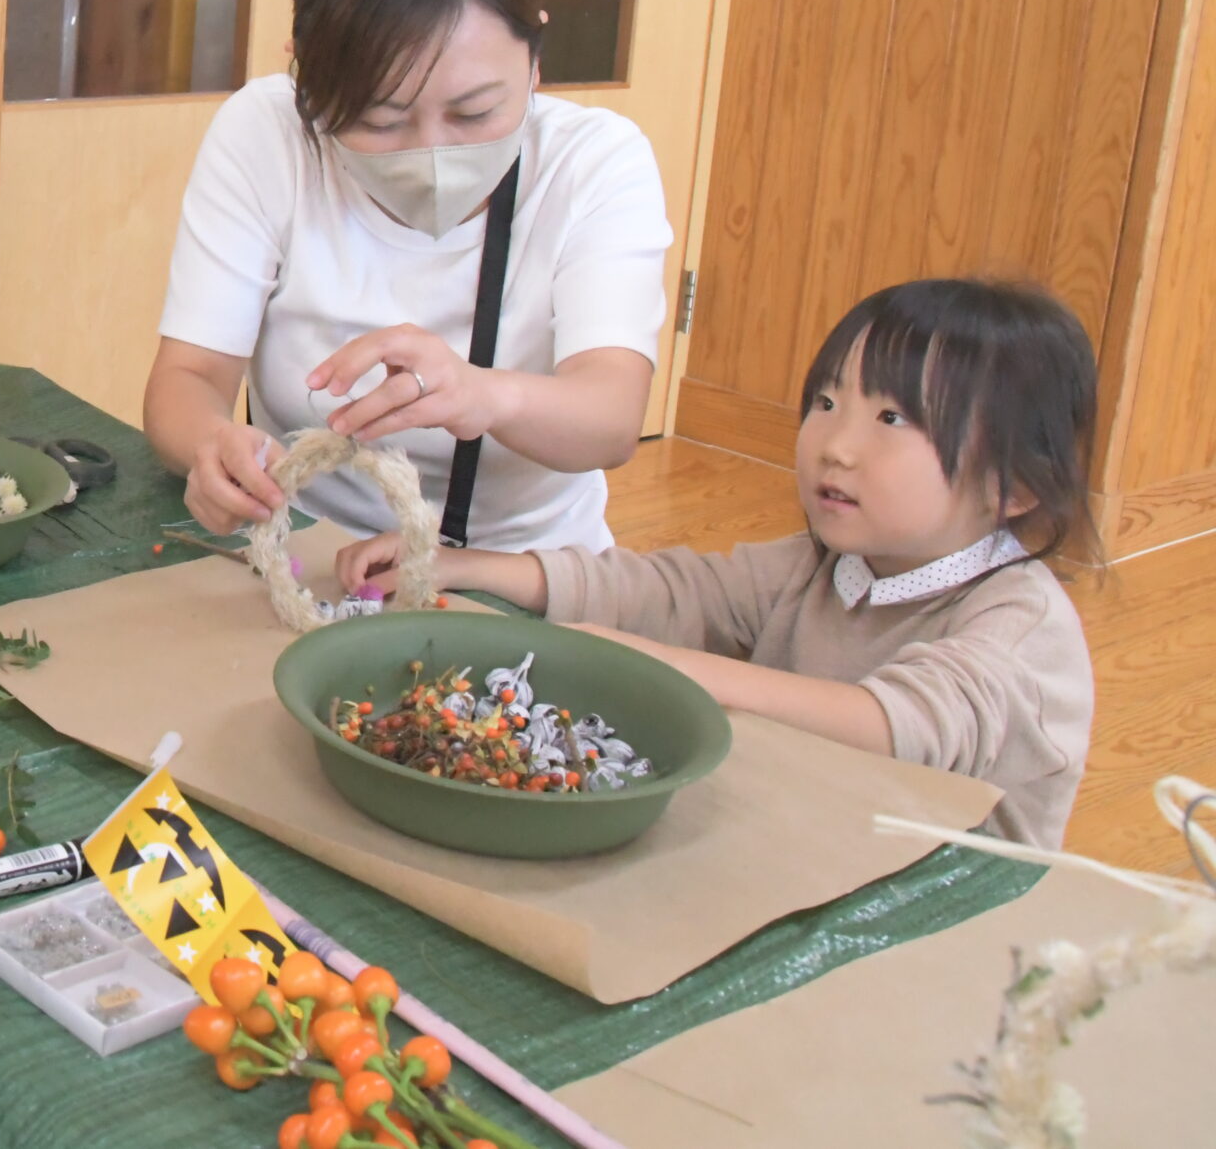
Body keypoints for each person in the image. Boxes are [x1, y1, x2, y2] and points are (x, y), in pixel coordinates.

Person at [344, 279, 1097, 847]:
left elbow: (891, 723)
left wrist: (655, 664)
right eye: (828, 402)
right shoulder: (828, 563)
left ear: (1016, 485)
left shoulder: (1020, 628)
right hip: (817, 848)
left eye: (891, 419)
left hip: (950, 937)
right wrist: (467, 567)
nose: (835, 443)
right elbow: (674, 592)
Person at [146, 0, 672, 555]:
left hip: (521, 573)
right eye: (380, 120)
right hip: (310, 554)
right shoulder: (266, 134)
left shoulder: (595, 163)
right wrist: (211, 446)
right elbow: (186, 379)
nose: (433, 154)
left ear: (535, 56)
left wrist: (482, 396)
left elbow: (611, 417)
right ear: (307, 80)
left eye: (476, 112)